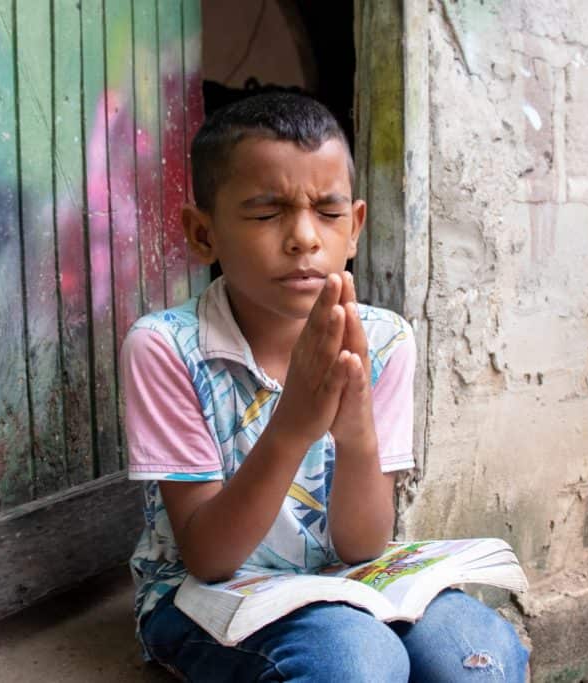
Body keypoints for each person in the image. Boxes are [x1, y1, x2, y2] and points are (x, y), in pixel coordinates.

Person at [121, 92, 529, 682]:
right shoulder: (167, 348)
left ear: (356, 226)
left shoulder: (385, 340)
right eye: (267, 213)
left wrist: (356, 426)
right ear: (202, 232)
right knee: (355, 660)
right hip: (204, 596)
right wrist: (294, 425)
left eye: (329, 214)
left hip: (347, 576)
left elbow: (363, 545)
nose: (304, 238)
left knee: (476, 656)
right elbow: (209, 558)